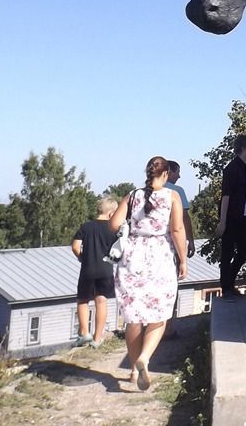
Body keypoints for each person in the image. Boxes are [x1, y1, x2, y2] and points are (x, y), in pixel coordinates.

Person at [110, 156, 187, 390]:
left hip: (132, 255)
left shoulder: (132, 195)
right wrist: (183, 260)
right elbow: (176, 229)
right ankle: (145, 357)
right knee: (159, 313)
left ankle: (134, 369)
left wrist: (131, 228)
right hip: (159, 256)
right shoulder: (172, 196)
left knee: (133, 317)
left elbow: (113, 224)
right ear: (165, 175)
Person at [71, 196, 118, 347]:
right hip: (106, 269)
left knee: (83, 300)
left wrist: (82, 258)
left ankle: (85, 333)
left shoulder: (86, 227)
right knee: (101, 302)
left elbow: (75, 247)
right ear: (111, 214)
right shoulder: (113, 229)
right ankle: (97, 339)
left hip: (88, 269)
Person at [217, 135, 246, 299]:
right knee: (227, 252)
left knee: (243, 251)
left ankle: (229, 281)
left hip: (244, 216)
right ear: (243, 148)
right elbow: (226, 196)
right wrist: (222, 221)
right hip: (232, 217)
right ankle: (226, 288)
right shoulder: (232, 168)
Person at [165, 161, 196, 258]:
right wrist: (190, 241)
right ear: (170, 172)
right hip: (172, 240)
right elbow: (185, 217)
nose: (179, 177)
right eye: (177, 173)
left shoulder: (147, 191)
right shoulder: (177, 191)